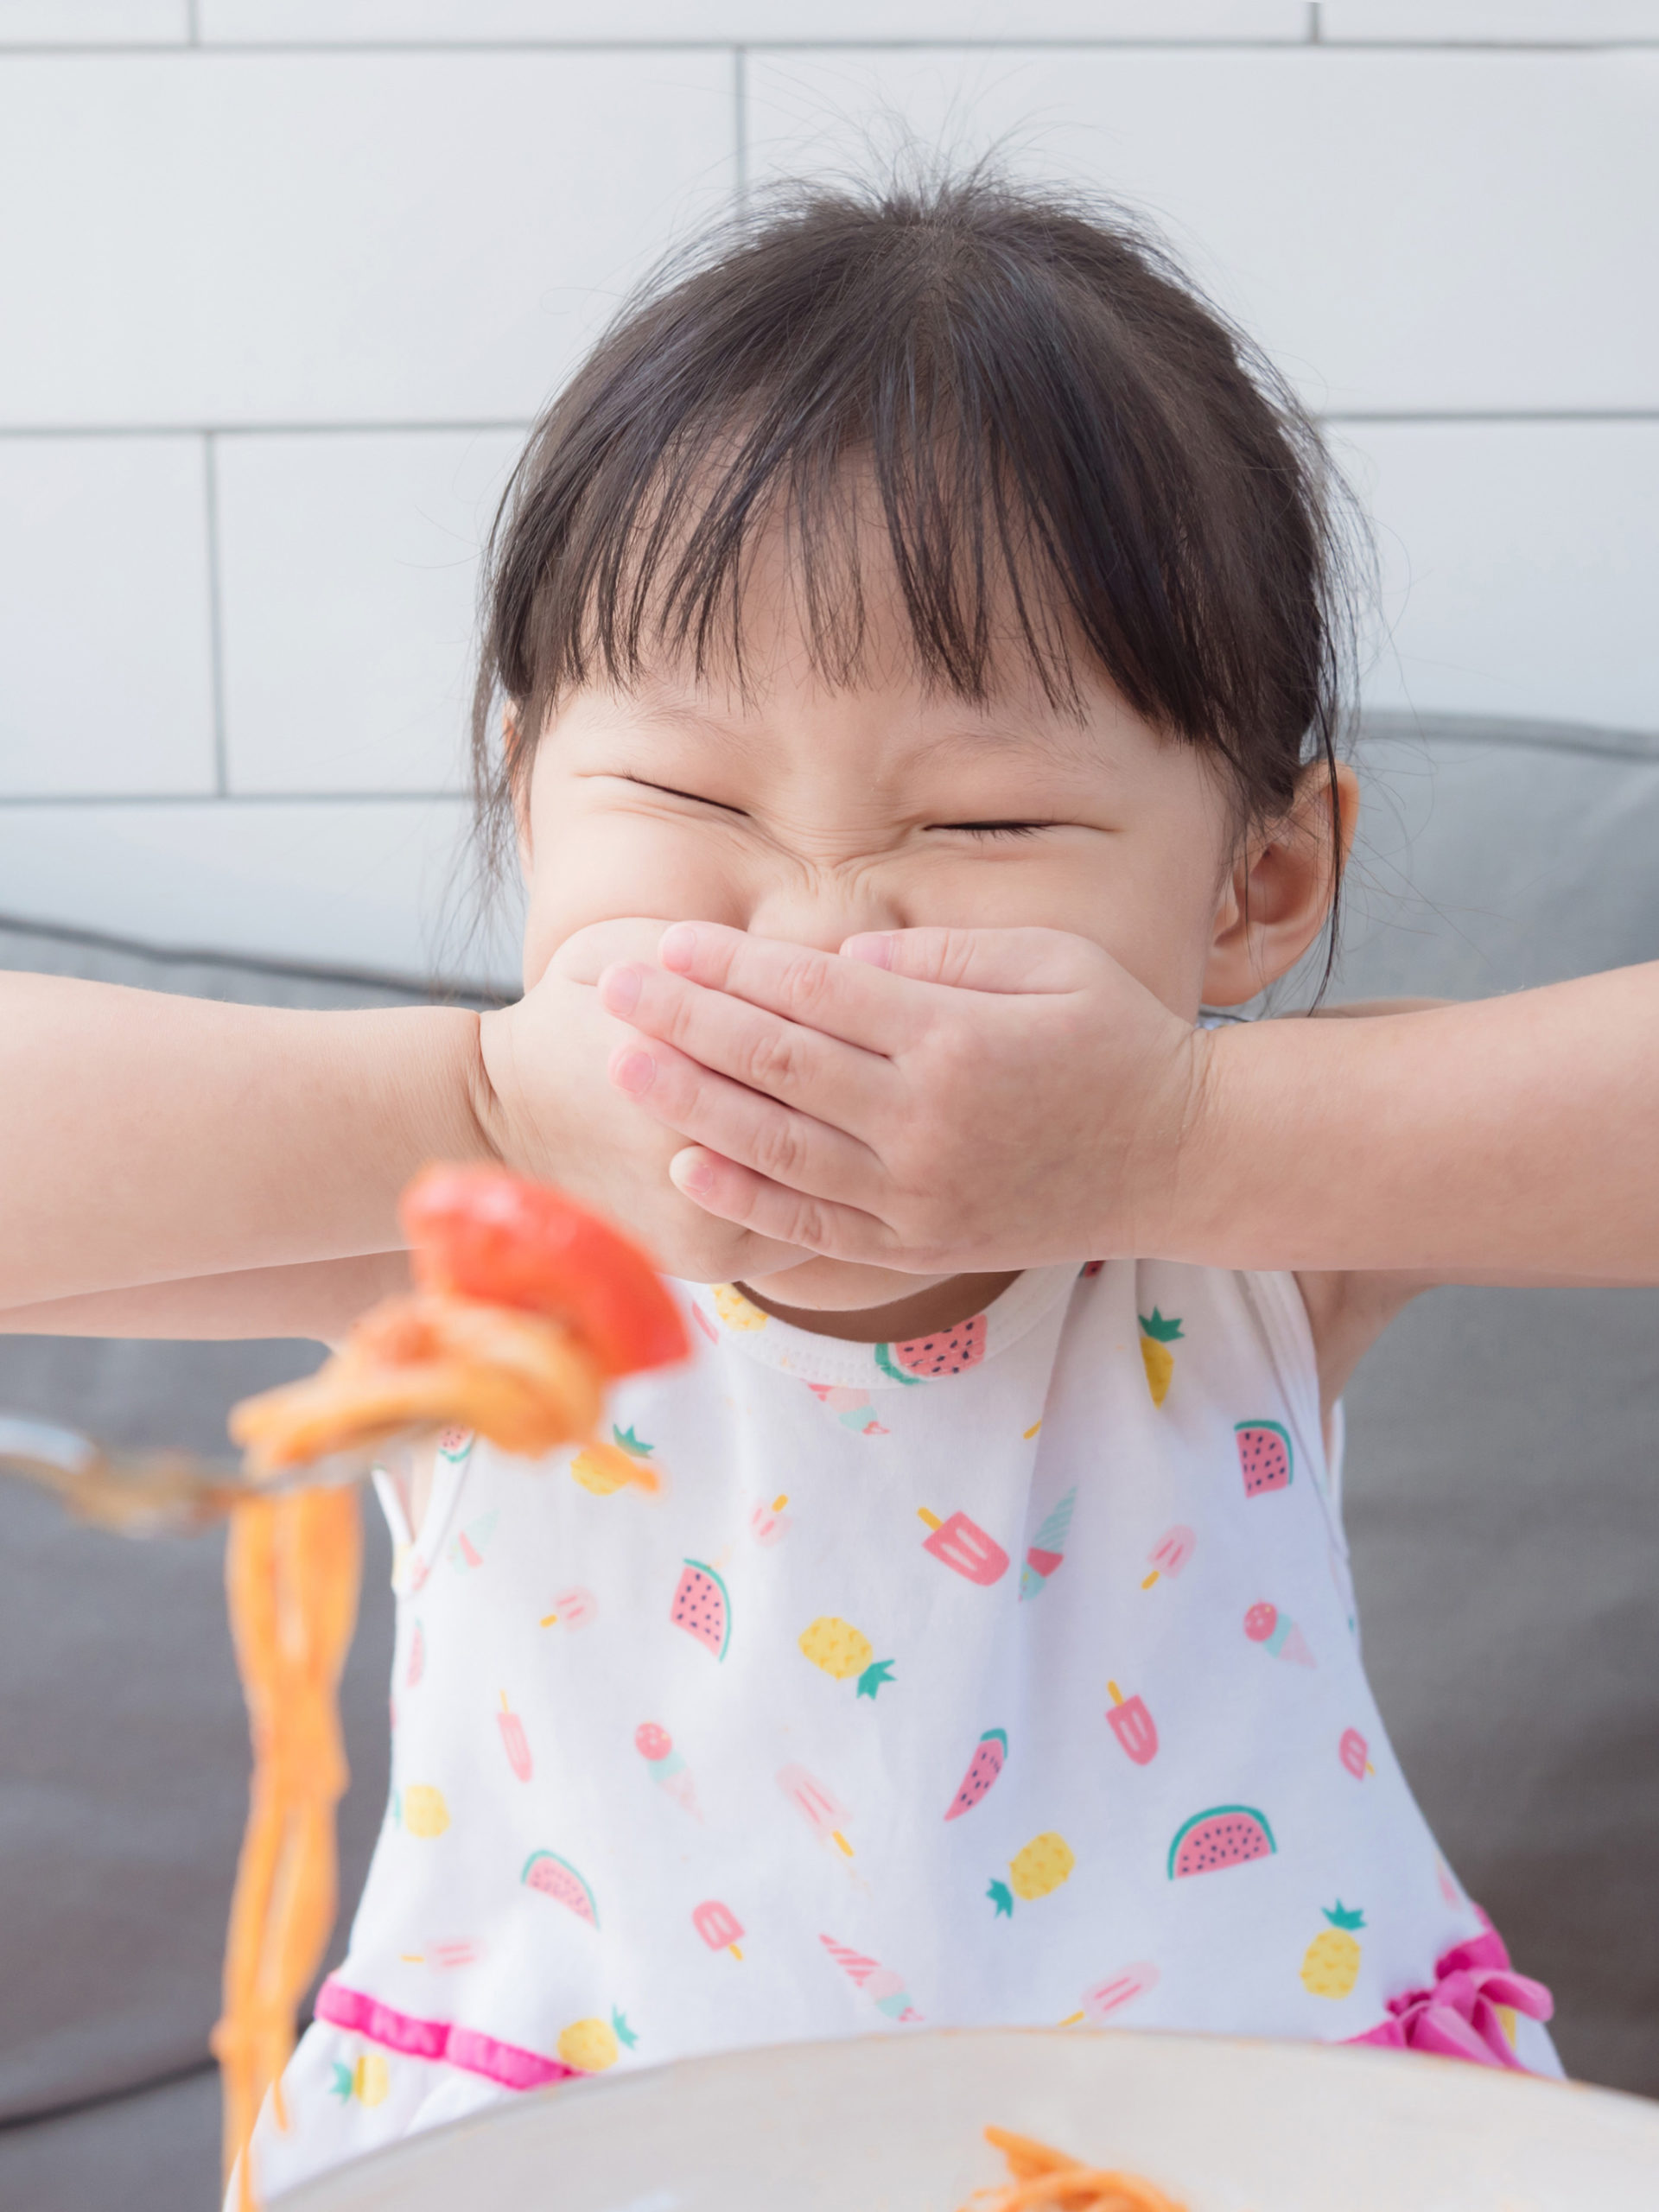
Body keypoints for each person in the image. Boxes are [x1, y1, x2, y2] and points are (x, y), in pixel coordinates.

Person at [24, 175, 1604, 2193]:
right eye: (685, 795)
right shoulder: (470, 1267)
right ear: (526, 801)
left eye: (987, 816)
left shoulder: (1252, 1227)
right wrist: (480, 1102)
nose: (818, 920)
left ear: (1255, 886)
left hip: (1238, 2145)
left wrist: (1170, 1141)